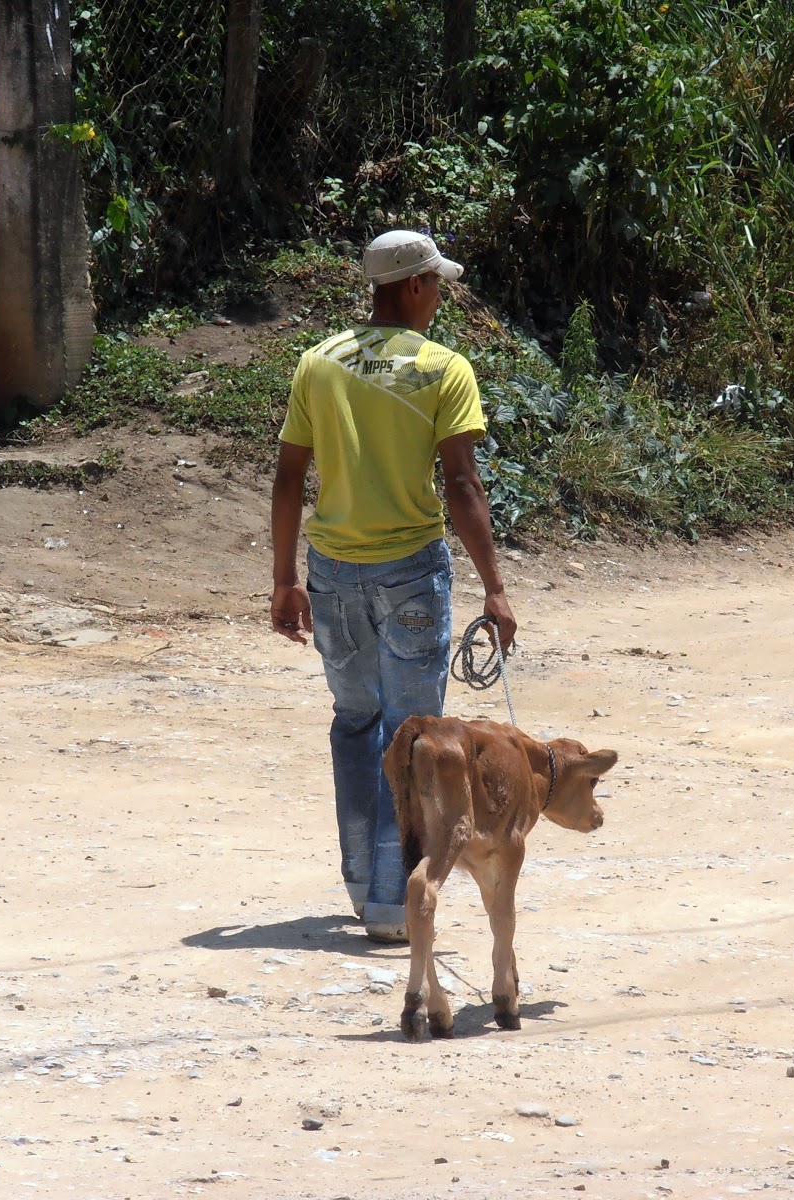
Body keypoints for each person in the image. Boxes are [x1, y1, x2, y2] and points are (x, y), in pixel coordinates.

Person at [270, 230, 516, 943]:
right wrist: (494, 588)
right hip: (411, 567)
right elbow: (462, 484)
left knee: (355, 724)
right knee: (417, 739)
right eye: (436, 283)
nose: (440, 296)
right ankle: (398, 901)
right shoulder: (443, 368)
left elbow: (290, 477)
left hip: (335, 571)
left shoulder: (319, 363)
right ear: (412, 286)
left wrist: (286, 580)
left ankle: (365, 891)